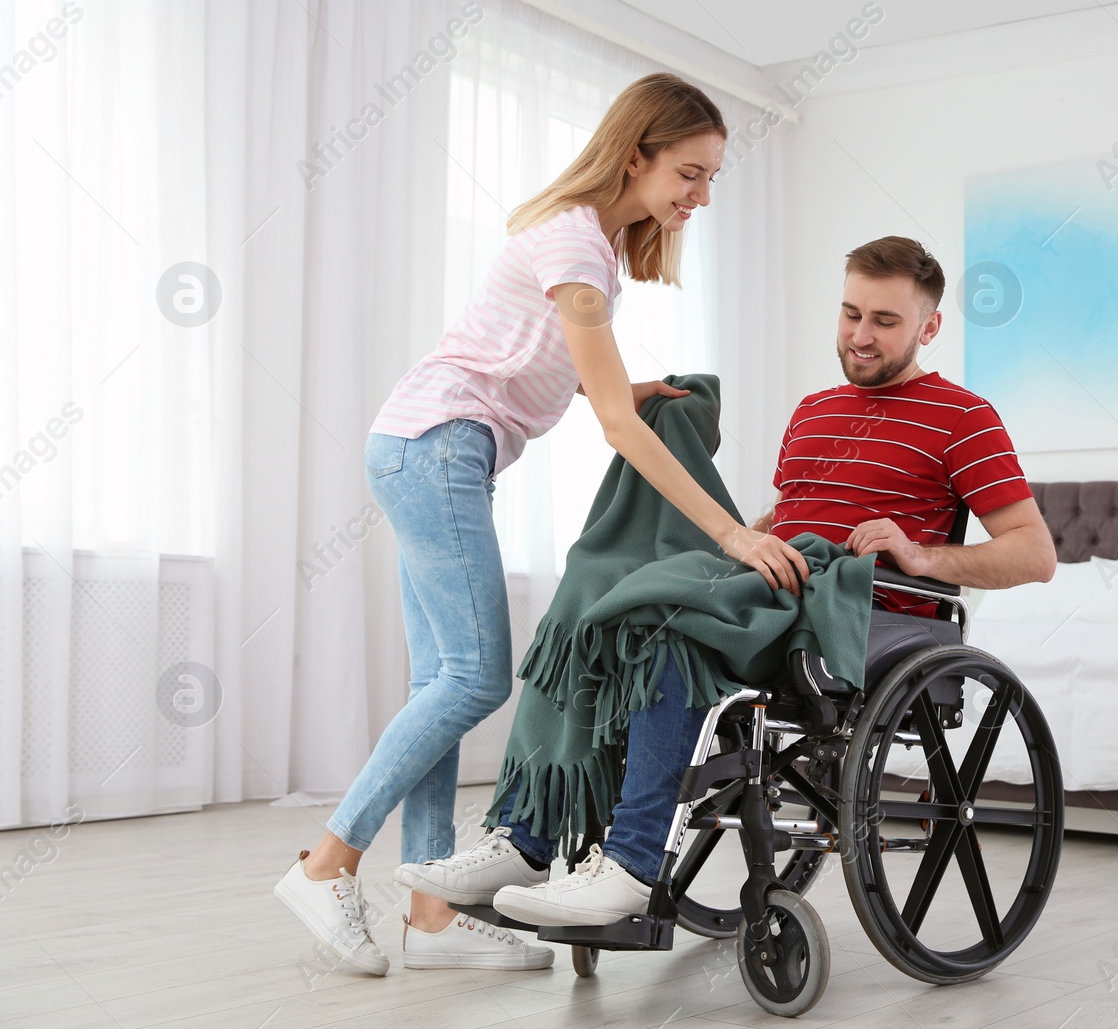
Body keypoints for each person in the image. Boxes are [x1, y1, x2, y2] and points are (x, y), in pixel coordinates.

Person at [273, 72, 809, 976]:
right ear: (635, 154)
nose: (700, 196)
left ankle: (435, 911)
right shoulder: (574, 242)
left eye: (711, 178)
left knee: (442, 680)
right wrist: (733, 534)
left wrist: (621, 387)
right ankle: (328, 863)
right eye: (690, 172)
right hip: (438, 448)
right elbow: (614, 423)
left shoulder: (591, 245)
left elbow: (557, 368)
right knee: (477, 678)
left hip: (425, 444)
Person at [397, 235, 1056, 929]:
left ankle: (630, 865)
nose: (860, 335)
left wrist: (922, 556)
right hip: (780, 593)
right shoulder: (813, 410)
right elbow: (792, 513)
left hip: (865, 616)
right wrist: (741, 536)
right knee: (603, 611)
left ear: (929, 328)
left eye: (884, 322)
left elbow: (1033, 553)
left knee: (668, 625)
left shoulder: (964, 418)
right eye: (850, 313)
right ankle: (527, 836)